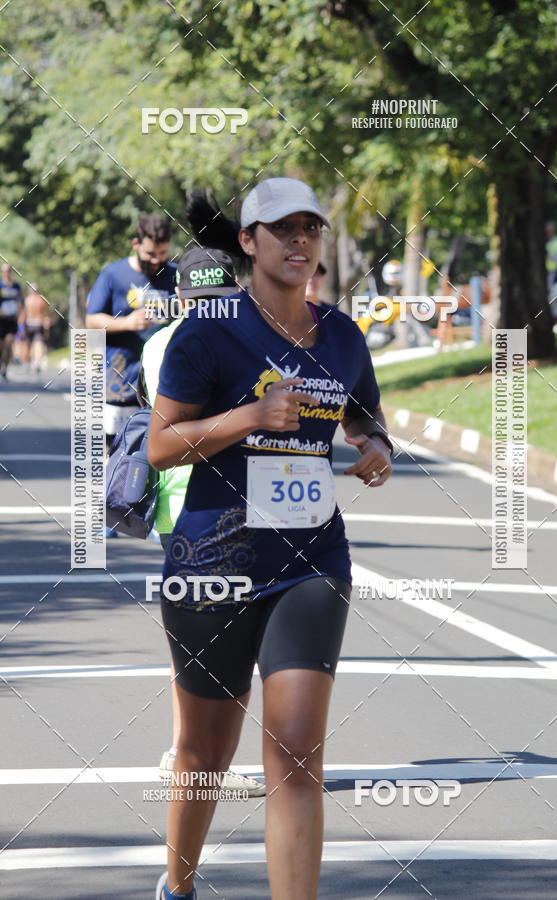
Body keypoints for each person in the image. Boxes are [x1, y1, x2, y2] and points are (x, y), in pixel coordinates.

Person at [148, 177, 393, 900]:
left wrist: (375, 447)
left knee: (293, 755)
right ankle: (178, 886)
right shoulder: (209, 330)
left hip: (311, 561)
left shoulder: (341, 336)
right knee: (203, 752)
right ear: (248, 242)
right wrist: (251, 417)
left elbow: (366, 417)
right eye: (281, 229)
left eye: (310, 228)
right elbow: (161, 447)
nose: (300, 241)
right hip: (212, 562)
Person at [139, 237, 266, 800]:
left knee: (202, 636)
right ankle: (196, 754)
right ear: (184, 298)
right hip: (201, 501)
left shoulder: (162, 342)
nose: (212, 308)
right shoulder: (189, 344)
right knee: (216, 638)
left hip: (205, 501)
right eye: (204, 300)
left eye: (221, 297)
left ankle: (188, 751)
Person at [86, 214, 177, 445]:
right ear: (136, 244)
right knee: (115, 445)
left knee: (155, 443)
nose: (156, 261)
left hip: (163, 376)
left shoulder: (176, 275)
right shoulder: (113, 275)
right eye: (150, 254)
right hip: (120, 376)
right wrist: (126, 323)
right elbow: (92, 320)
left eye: (163, 254)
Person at [19, 283, 53, 372]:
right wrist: (47, 320)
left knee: (28, 344)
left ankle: (27, 362)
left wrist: (20, 326)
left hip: (30, 323)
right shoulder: (42, 299)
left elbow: (23, 314)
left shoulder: (27, 300)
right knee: (38, 343)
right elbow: (49, 312)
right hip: (38, 323)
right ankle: (35, 362)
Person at [0, 262, 24, 379]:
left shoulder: (16, 287)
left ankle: (5, 368)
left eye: (9, 270)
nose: (7, 273)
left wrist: (21, 316)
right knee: (1, 346)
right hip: (1, 320)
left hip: (12, 320)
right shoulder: (0, 286)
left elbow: (20, 302)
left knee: (9, 343)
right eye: (5, 271)